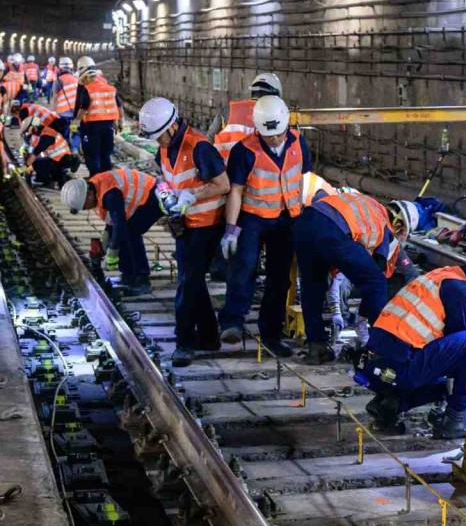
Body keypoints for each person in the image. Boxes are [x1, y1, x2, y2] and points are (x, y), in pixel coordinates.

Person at [359, 238, 466, 438]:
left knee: (450, 379)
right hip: (397, 369)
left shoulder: (444, 275)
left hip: (374, 366)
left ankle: (390, 404)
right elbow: (459, 352)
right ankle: (456, 419)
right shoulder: (460, 291)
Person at [138, 97, 231, 367]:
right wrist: (167, 198)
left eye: (159, 137)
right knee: (193, 282)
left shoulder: (199, 146)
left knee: (187, 283)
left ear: (171, 126)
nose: (158, 143)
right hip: (187, 224)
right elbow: (166, 180)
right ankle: (210, 337)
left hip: (208, 225)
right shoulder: (165, 148)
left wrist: (191, 195)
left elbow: (222, 184)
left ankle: (184, 343)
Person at [219, 95, 312, 357]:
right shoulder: (244, 151)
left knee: (279, 278)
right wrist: (231, 230)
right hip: (253, 217)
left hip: (286, 219)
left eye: (279, 133)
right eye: (269, 134)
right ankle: (232, 322)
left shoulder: (299, 143)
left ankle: (271, 332)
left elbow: (303, 177)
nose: (275, 138)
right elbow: (235, 191)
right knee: (243, 267)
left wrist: (301, 213)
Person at [293, 188, 401, 364]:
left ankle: (316, 346)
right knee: (376, 281)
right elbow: (376, 273)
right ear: (398, 225)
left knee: (312, 287)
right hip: (332, 229)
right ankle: (382, 350)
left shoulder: (365, 203)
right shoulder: (383, 225)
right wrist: (364, 314)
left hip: (304, 223)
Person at [59, 170, 164, 295]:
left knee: (130, 233)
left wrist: (113, 249)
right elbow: (112, 222)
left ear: (89, 196)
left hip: (152, 196)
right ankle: (128, 275)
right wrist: (106, 240)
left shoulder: (110, 194)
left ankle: (142, 280)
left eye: (84, 206)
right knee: (123, 233)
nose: (86, 209)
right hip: (142, 197)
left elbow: (119, 223)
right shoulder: (96, 188)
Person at [212, 72, 282, 160]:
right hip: (253, 169)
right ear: (275, 95)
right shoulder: (275, 116)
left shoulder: (229, 109)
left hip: (223, 168)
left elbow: (209, 138)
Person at [73, 60, 123, 175]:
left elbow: (83, 108)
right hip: (109, 126)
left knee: (92, 154)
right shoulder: (110, 88)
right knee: (105, 154)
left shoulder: (88, 89)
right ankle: (107, 178)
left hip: (92, 127)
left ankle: (96, 180)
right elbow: (119, 107)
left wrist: (75, 123)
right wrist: (120, 122)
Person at [24, 115, 77, 188]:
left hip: (61, 160)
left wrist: (26, 166)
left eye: (32, 131)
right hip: (60, 160)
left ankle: (48, 182)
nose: (32, 134)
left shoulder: (47, 135)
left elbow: (36, 151)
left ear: (35, 128)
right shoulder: (45, 132)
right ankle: (48, 179)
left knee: (35, 163)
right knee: (39, 161)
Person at [51, 57, 78, 148]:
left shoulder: (58, 81)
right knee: (76, 132)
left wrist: (53, 112)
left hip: (64, 114)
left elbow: (55, 98)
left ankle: (66, 153)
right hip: (76, 113)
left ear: (60, 68)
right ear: (71, 67)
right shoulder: (77, 79)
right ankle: (74, 150)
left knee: (64, 134)